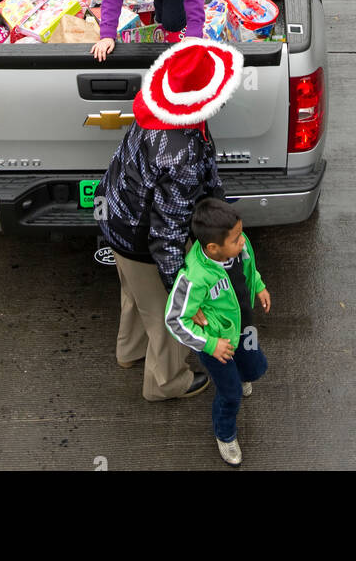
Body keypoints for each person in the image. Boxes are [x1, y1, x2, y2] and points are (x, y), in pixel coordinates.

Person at [95, 40, 242, 403]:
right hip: (143, 238)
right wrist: (184, 293)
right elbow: (167, 235)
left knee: (135, 295)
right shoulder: (181, 155)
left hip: (117, 221)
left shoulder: (158, 111)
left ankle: (129, 352)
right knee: (166, 314)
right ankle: (167, 382)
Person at [166, 196, 270, 467]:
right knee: (231, 394)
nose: (243, 242)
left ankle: (243, 374)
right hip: (217, 343)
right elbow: (175, 319)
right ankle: (225, 434)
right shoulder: (194, 277)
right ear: (213, 248)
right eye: (236, 240)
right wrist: (210, 345)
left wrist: (258, 286)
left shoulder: (240, 247)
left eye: (241, 234)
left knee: (256, 366)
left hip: (244, 327)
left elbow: (249, 269)